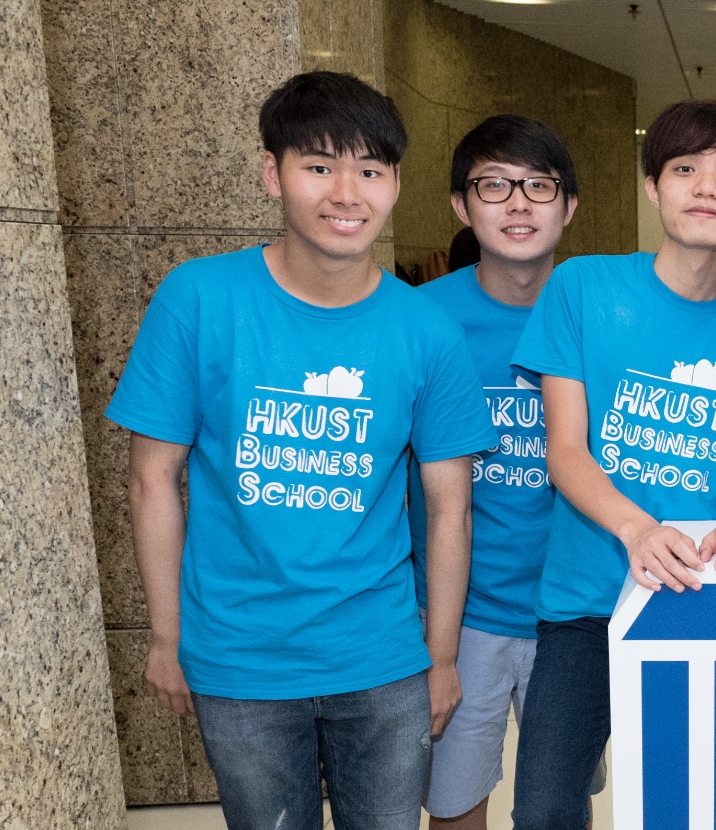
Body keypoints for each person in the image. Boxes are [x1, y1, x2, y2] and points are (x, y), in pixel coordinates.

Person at [108, 71, 498, 830]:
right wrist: (166, 636)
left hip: (382, 661)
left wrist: (441, 658)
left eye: (371, 171)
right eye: (319, 166)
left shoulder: (425, 332)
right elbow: (153, 480)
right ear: (271, 172)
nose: (346, 193)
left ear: (394, 185)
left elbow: (450, 509)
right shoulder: (199, 299)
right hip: (240, 659)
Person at [508, 100, 716, 829]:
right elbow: (565, 450)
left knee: (707, 806)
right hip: (588, 604)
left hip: (706, 600)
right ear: (653, 186)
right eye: (685, 168)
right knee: (542, 809)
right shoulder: (582, 288)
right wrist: (636, 530)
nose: (705, 186)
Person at [406, 114, 579, 830]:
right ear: (460, 205)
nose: (517, 203)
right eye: (494, 185)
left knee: (559, 807)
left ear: (569, 208)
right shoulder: (418, 318)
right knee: (453, 807)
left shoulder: (596, 313)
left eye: (539, 186)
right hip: (459, 613)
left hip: (571, 612)